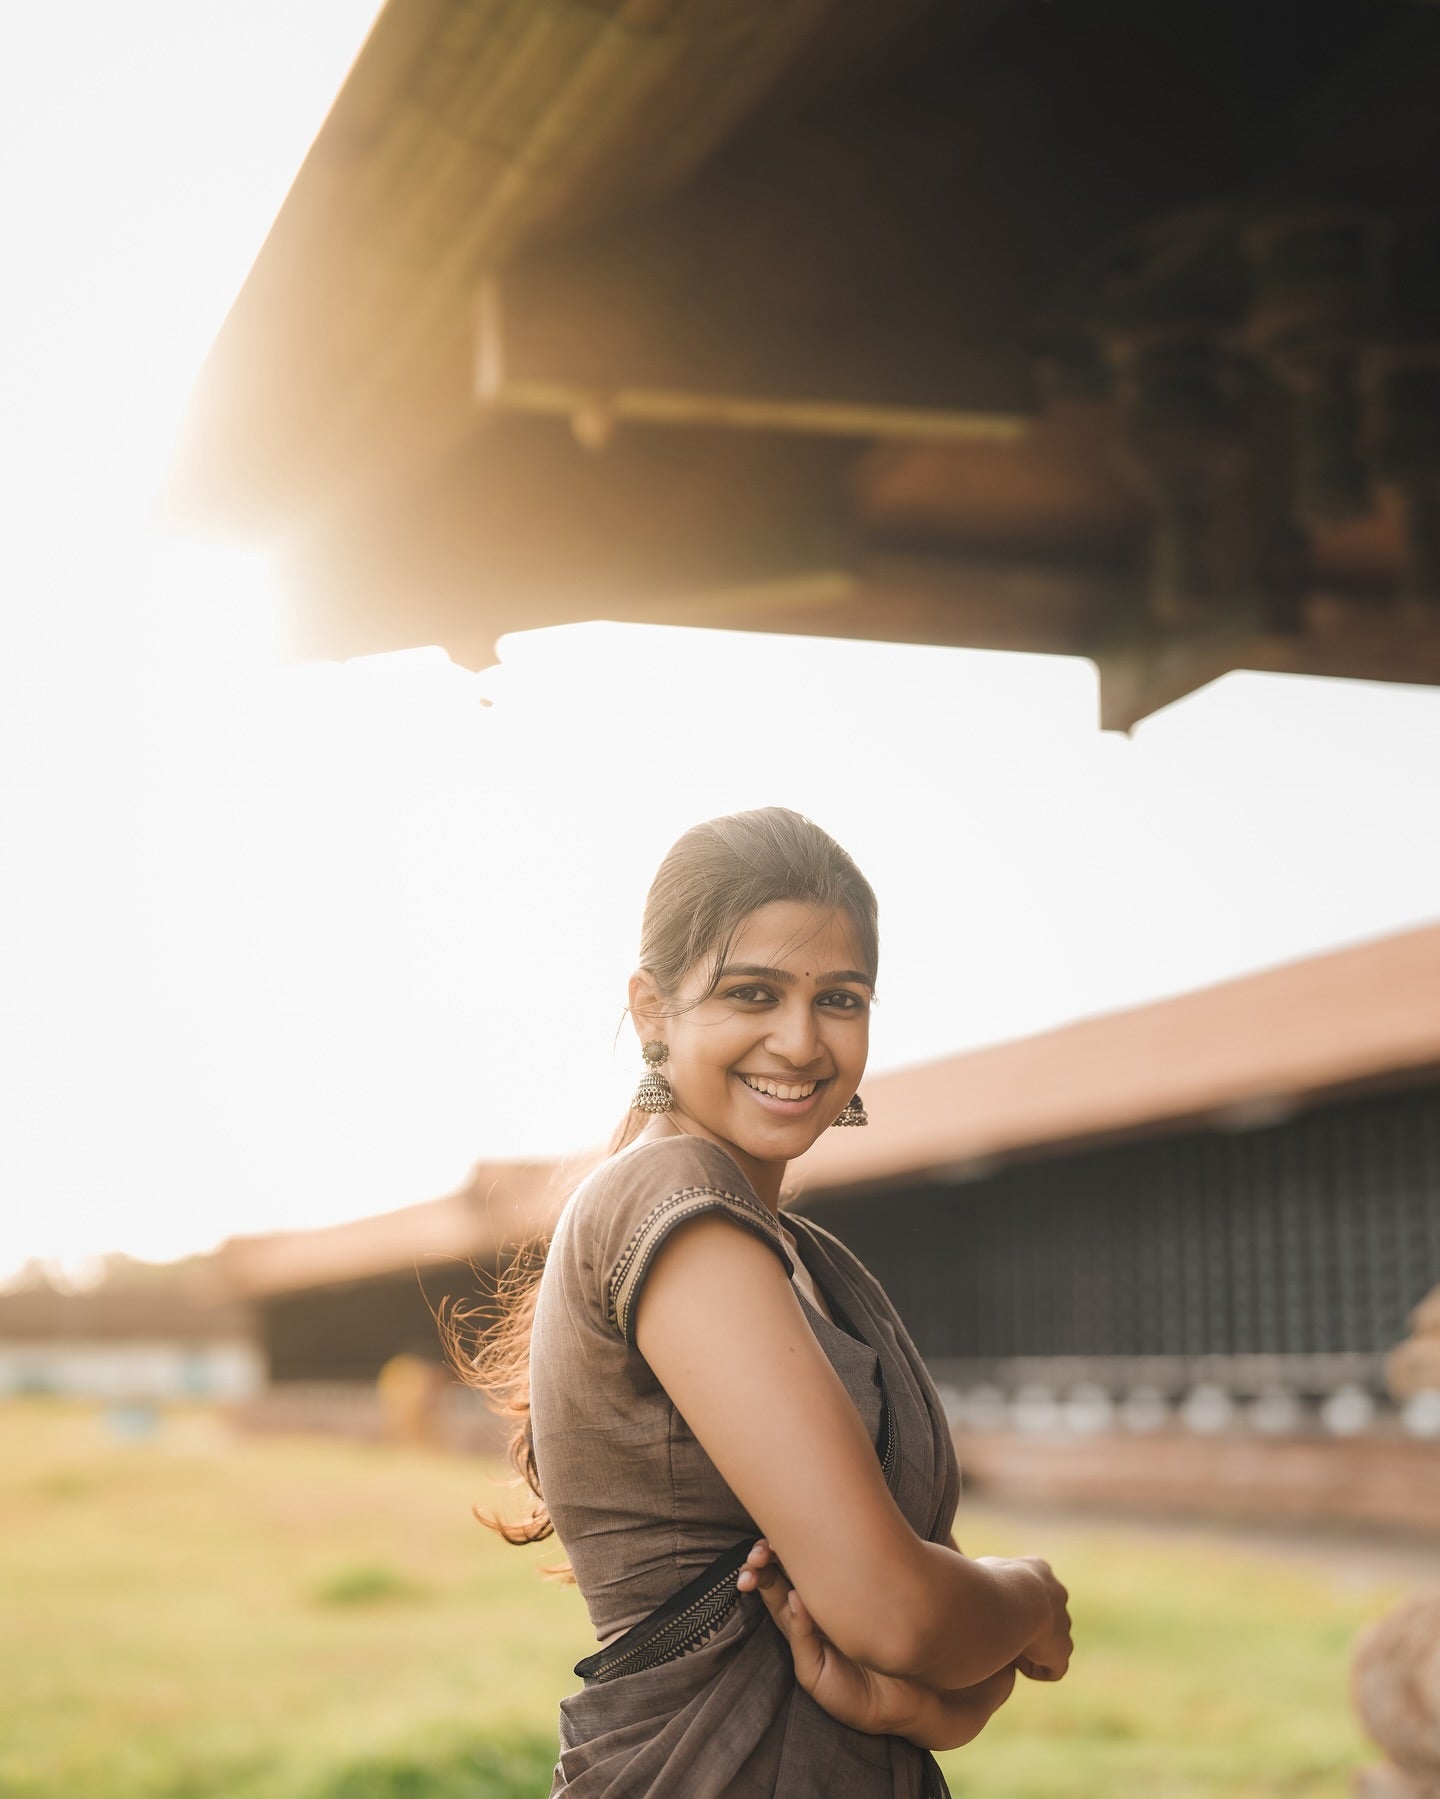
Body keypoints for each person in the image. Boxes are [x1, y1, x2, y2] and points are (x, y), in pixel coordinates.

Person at [457, 808, 1072, 1797]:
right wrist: (1031, 1592)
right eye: (753, 993)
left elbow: (932, 1655)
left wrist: (913, 1704)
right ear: (653, 1008)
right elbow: (897, 1609)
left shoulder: (809, 1257)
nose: (800, 1039)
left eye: (840, 997)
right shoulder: (671, 1203)